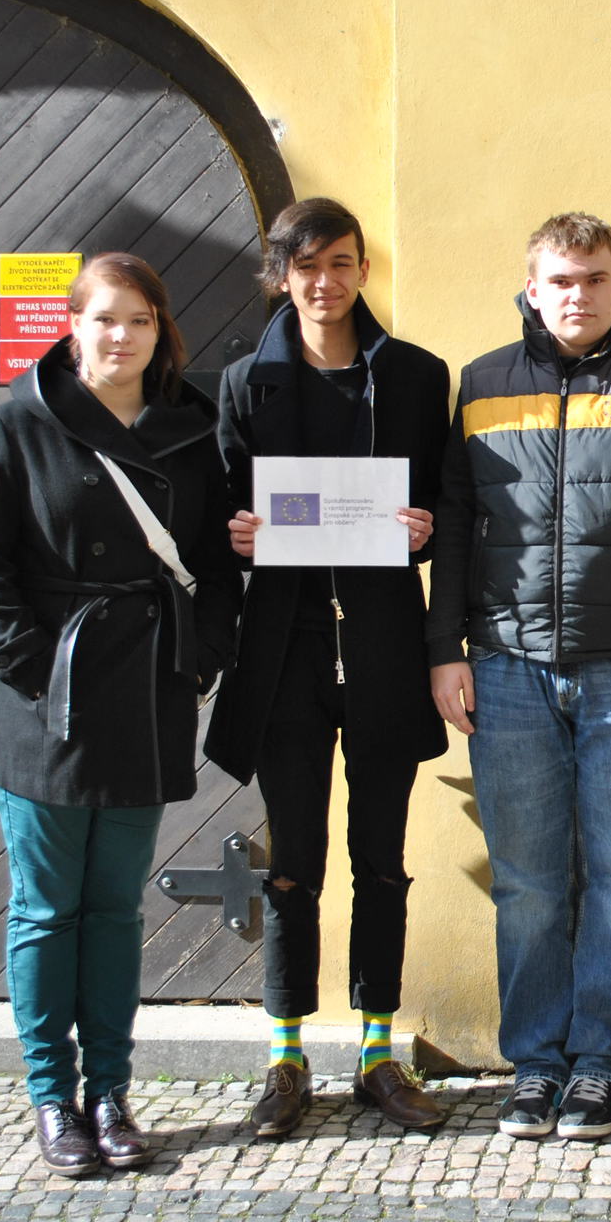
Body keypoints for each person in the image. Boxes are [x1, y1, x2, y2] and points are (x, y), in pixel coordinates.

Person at [427, 212, 611, 1143]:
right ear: (532, 288)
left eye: (595, 278)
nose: (578, 295)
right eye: (560, 280)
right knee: (527, 884)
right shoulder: (481, 385)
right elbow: (454, 521)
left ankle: (600, 1063)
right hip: (507, 667)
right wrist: (444, 648)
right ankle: (535, 1064)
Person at [0, 252, 242, 1177]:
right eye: (105, 317)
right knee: (48, 908)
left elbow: (216, 564)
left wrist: (200, 659)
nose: (122, 335)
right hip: (46, 703)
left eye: (140, 319)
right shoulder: (15, 425)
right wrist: (40, 673)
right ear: (72, 326)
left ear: (161, 331)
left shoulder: (194, 432)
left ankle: (110, 1092)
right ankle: (52, 1097)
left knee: (114, 908)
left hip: (148, 696)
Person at [205, 198, 453, 1139]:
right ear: (282, 275)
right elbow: (221, 511)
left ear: (361, 269)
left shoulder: (417, 376)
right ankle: (286, 1058)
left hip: (383, 647)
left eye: (341, 262)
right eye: (306, 266)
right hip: (286, 655)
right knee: (295, 863)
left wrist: (426, 528)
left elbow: (444, 504)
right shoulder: (244, 383)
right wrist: (235, 535)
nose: (325, 282)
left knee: (381, 859)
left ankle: (378, 1054)